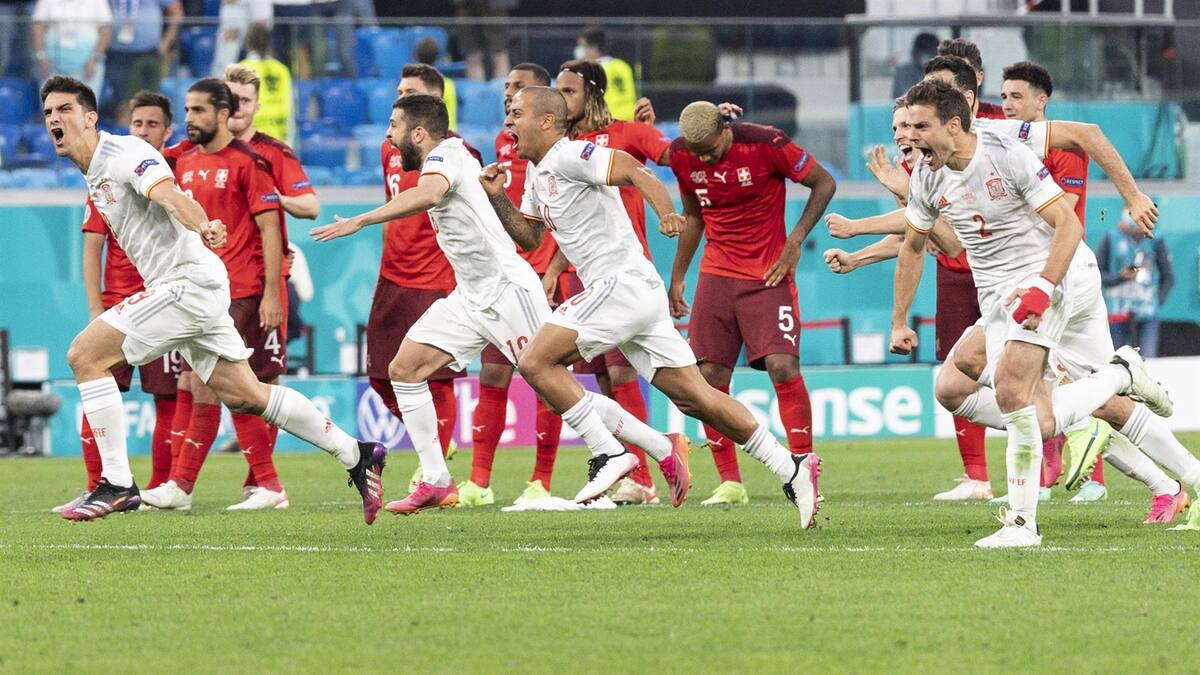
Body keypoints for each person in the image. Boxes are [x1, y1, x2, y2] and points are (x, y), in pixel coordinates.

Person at [41, 75, 385, 523]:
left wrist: (203, 224)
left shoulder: (125, 154)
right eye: (48, 113)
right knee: (246, 394)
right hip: (193, 287)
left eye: (65, 109)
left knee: (84, 355)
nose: (54, 119)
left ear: (90, 117)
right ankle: (356, 453)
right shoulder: (93, 171)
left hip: (185, 284)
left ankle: (117, 483)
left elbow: (169, 195)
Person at [480, 86, 822, 528]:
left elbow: (635, 171)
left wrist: (666, 213)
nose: (508, 122)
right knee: (697, 398)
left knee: (535, 362)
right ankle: (790, 467)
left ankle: (610, 452)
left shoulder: (572, 155)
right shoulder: (536, 173)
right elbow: (530, 238)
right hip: (630, 293)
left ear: (546, 121)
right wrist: (497, 196)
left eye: (516, 113)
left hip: (620, 284)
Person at [892, 79, 1194, 546]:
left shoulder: (1006, 146)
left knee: (1018, 398)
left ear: (954, 121)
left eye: (919, 126)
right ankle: (1172, 464)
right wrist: (898, 320)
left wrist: (1043, 285)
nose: (909, 137)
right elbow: (914, 244)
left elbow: (1068, 220)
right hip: (1002, 294)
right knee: (984, 392)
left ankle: (1022, 524)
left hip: (1051, 274)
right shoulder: (926, 175)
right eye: (905, 126)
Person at [310, 94, 550, 516]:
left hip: (506, 290)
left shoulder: (443, 157)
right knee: (403, 370)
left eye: (394, 125)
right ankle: (436, 479)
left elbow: (430, 193)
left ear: (418, 132)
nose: (388, 135)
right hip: (472, 295)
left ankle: (637, 449)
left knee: (552, 381)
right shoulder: (453, 155)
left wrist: (360, 219)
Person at [668, 101, 835, 506]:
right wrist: (678, 276)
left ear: (726, 129)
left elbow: (824, 183)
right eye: (698, 153)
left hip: (768, 272)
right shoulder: (681, 154)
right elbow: (693, 217)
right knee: (707, 377)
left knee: (782, 365)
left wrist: (794, 242)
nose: (705, 160)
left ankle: (803, 467)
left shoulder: (766, 143)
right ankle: (730, 482)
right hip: (716, 273)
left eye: (711, 150)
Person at [139, 78, 289, 511]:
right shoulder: (182, 161)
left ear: (223, 114)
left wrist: (272, 293)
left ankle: (257, 484)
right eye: (187, 109)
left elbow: (270, 229)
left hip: (239, 290)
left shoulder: (248, 162)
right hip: (200, 292)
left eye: (199, 110)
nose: (190, 118)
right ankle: (184, 487)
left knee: (221, 386)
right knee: (195, 383)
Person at [53, 90, 182, 515]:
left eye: (152, 124)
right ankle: (100, 485)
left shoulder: (168, 173)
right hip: (119, 301)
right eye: (137, 123)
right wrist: (96, 306)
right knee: (93, 377)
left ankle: (160, 488)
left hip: (166, 296)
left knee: (168, 395)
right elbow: (92, 246)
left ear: (168, 131)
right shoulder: (105, 171)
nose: (143, 131)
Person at [551, 59, 669, 505]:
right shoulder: (560, 148)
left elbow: (675, 157)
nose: (561, 99)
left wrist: (707, 122)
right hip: (582, 276)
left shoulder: (629, 134)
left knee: (622, 373)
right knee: (601, 378)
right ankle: (638, 474)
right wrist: (554, 270)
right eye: (558, 90)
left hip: (624, 277)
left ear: (593, 95)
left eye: (569, 91)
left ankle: (645, 477)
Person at [1000, 60, 1109, 502]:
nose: (1007, 105)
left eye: (1017, 96)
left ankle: (1095, 478)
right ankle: (1045, 476)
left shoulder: (1064, 148)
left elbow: (1066, 208)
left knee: (1080, 377)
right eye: (1004, 96)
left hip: (1063, 272)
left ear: (1041, 101)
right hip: (1026, 270)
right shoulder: (1007, 148)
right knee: (1037, 377)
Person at [369, 63, 480, 494]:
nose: (399, 99)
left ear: (433, 102)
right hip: (392, 275)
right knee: (380, 376)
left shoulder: (459, 153)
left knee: (437, 377)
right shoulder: (389, 150)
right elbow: (391, 206)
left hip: (435, 276)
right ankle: (437, 439)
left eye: (409, 93)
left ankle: (435, 470)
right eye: (399, 92)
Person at [460, 62, 567, 507]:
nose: (509, 94)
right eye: (506, 87)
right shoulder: (506, 143)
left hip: (544, 279)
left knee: (547, 378)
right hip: (506, 276)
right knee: (493, 373)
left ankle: (541, 481)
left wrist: (554, 271)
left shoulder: (561, 151)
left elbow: (572, 219)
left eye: (518, 88)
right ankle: (478, 483)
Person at [1097, 210, 1174, 358]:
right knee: (1115, 358)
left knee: (1148, 358)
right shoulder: (1111, 237)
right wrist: (1120, 277)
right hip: (1117, 311)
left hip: (1147, 312)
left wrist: (1158, 300)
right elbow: (1098, 274)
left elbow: (1168, 276)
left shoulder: (1156, 239)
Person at [102, 0, 183, 122]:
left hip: (148, 53)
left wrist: (166, 43)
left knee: (146, 102)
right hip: (116, 54)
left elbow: (176, 12)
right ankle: (123, 130)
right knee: (123, 104)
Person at [32, 0, 111, 94]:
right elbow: (38, 26)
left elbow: (105, 30)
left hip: (87, 66)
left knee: (85, 102)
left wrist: (95, 59)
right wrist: (41, 56)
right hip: (52, 66)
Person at [239, 22, 292, 144]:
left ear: (248, 43)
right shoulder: (282, 70)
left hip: (250, 140)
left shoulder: (241, 70)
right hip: (278, 139)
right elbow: (290, 107)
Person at [575, 25, 636, 122]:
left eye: (583, 46)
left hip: (608, 122)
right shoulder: (623, 66)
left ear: (594, 48)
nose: (580, 50)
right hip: (630, 120)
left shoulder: (591, 71)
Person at [937, 38, 1006, 118]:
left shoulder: (1004, 119)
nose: (954, 82)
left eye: (963, 76)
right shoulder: (928, 118)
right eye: (947, 76)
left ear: (979, 78)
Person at [452, 0, 513, 81]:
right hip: (465, 5)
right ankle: (477, 88)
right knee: (471, 55)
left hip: (496, 5)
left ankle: (499, 88)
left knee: (499, 54)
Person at [211, 0, 272, 77]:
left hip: (259, 7)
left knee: (260, 37)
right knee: (229, 44)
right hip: (236, 9)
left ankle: (265, 77)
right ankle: (220, 78)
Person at [891, 32, 939, 99]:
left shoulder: (944, 72)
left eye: (929, 53)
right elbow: (899, 98)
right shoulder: (903, 71)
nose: (925, 58)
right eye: (921, 51)